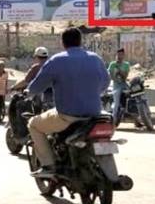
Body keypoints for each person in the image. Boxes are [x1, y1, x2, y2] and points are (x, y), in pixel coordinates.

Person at [26, 27, 110, 177]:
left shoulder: (57, 60)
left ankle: (48, 166)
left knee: (33, 124)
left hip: (67, 116)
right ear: (80, 41)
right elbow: (105, 83)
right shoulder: (95, 58)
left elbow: (37, 86)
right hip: (94, 114)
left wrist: (28, 92)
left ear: (63, 43)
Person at [108, 48, 131, 123]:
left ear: (123, 55)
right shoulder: (112, 64)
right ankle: (113, 120)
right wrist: (116, 79)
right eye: (118, 54)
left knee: (134, 96)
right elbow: (111, 76)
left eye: (121, 54)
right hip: (116, 86)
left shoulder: (126, 65)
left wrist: (119, 69)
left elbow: (125, 77)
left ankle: (137, 118)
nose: (119, 56)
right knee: (116, 103)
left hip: (124, 84)